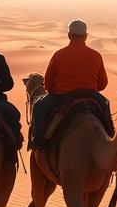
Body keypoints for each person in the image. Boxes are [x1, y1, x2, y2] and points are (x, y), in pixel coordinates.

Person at [30, 19, 111, 148]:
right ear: (86, 36)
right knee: (105, 106)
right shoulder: (96, 55)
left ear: (69, 35)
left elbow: (48, 84)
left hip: (62, 97)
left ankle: (39, 142)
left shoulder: (59, 55)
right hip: (91, 96)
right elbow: (103, 84)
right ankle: (110, 139)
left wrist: (56, 90)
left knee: (39, 106)